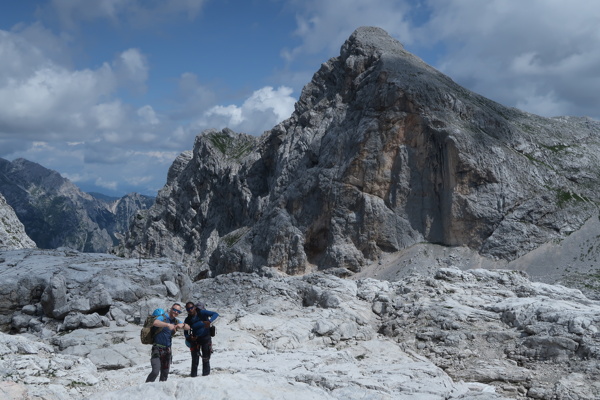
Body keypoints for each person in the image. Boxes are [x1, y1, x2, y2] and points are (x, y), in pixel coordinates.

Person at [145, 304, 185, 382]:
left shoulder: (176, 321)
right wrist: (167, 325)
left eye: (178, 311)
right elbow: (155, 323)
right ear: (171, 309)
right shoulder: (163, 317)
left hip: (167, 350)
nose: (176, 312)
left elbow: (188, 327)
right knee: (155, 371)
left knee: (165, 373)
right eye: (174, 309)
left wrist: (183, 325)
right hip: (157, 348)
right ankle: (145, 388)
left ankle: (161, 390)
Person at [183, 301, 219, 377]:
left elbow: (215, 314)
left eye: (191, 308)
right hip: (195, 340)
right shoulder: (187, 320)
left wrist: (209, 321)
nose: (190, 310)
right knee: (195, 359)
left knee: (206, 358)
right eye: (188, 309)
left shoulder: (202, 313)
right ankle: (193, 376)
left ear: (195, 307)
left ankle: (206, 376)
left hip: (205, 338)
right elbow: (185, 332)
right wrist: (189, 337)